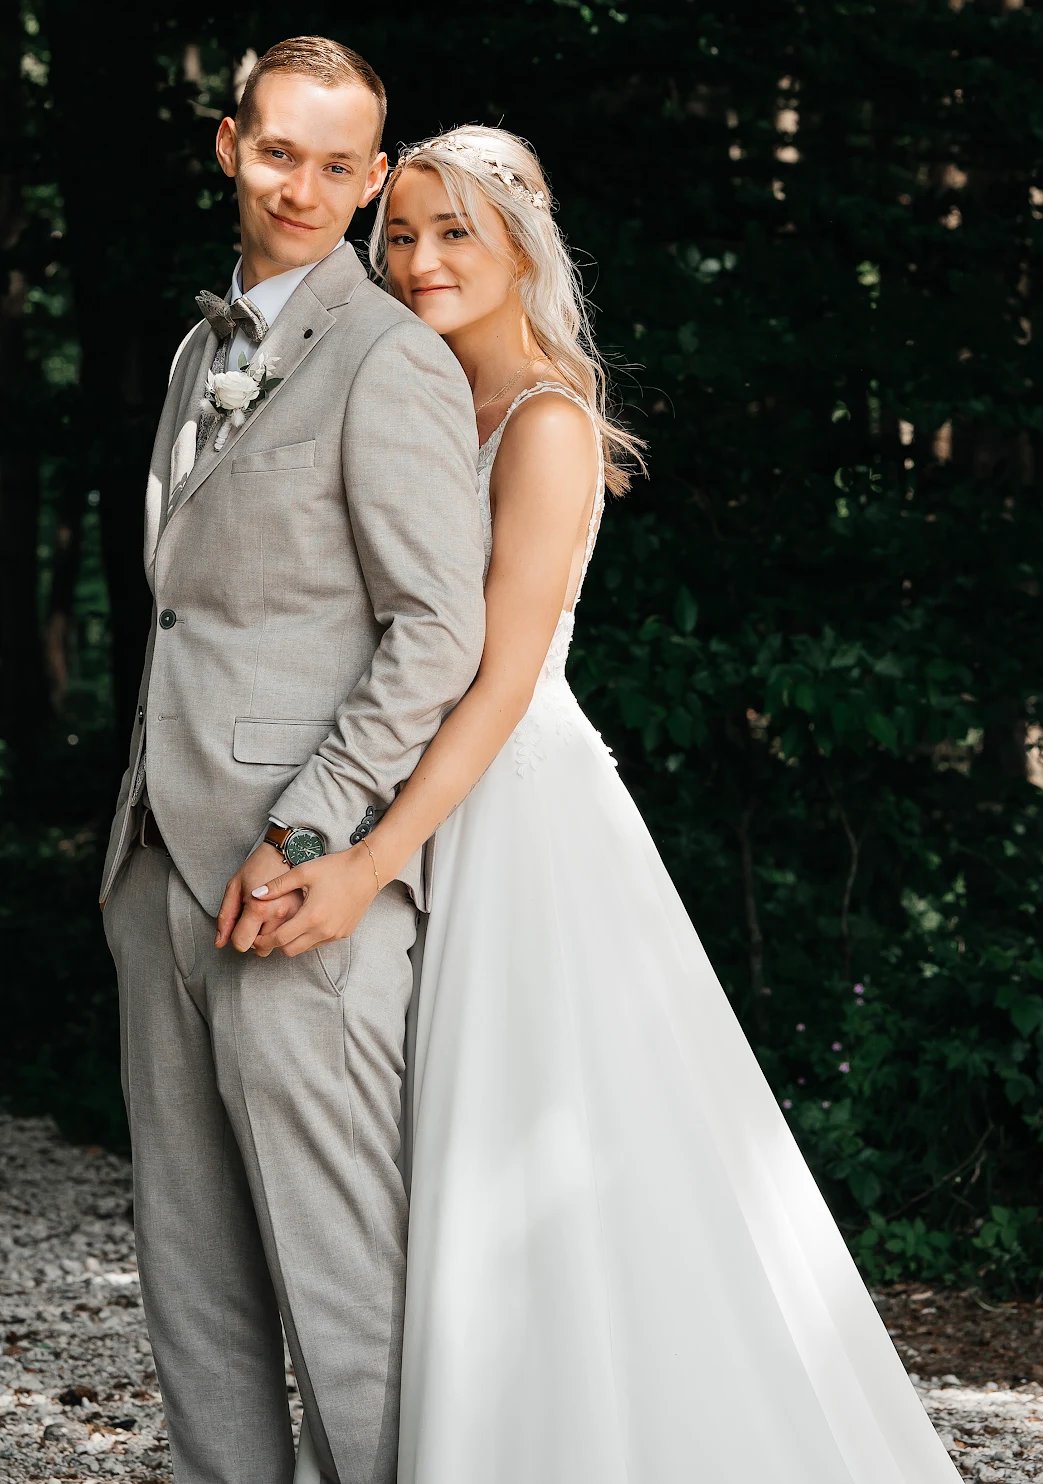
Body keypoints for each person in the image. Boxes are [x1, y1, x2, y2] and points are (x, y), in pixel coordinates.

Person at [245, 125, 963, 1484]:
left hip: (510, 813)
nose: (421, 260)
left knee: (536, 1139)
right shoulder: (414, 395)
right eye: (402, 235)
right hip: (408, 781)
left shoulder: (545, 422)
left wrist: (370, 854)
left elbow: (502, 681)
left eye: (455, 232)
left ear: (524, 245)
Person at [99, 40, 484, 1484]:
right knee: (190, 1274)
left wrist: (314, 829)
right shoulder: (201, 350)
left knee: (339, 1288)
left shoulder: (391, 357)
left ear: (374, 178)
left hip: (297, 888)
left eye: (337, 166)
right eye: (278, 154)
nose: (302, 190)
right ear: (229, 147)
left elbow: (437, 630)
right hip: (157, 865)